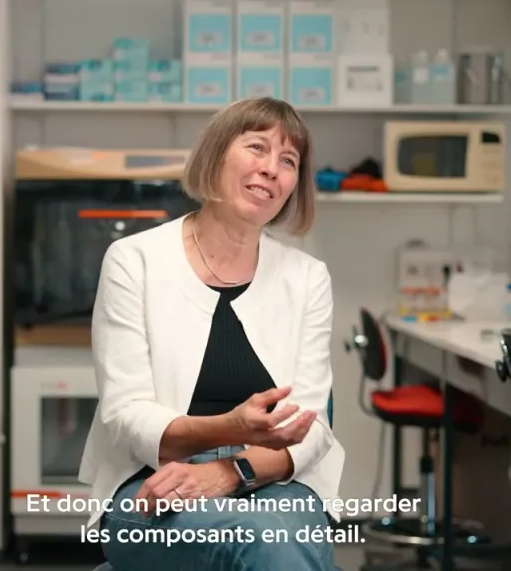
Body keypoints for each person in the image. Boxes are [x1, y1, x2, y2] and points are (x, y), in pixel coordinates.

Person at [79, 97, 345, 571]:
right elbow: (126, 415)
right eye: (257, 147)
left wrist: (231, 470)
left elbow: (313, 428)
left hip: (272, 479)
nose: (271, 169)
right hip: (153, 479)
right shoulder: (134, 261)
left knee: (278, 539)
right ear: (216, 154)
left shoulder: (307, 277)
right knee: (271, 547)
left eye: (288, 160)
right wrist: (230, 428)